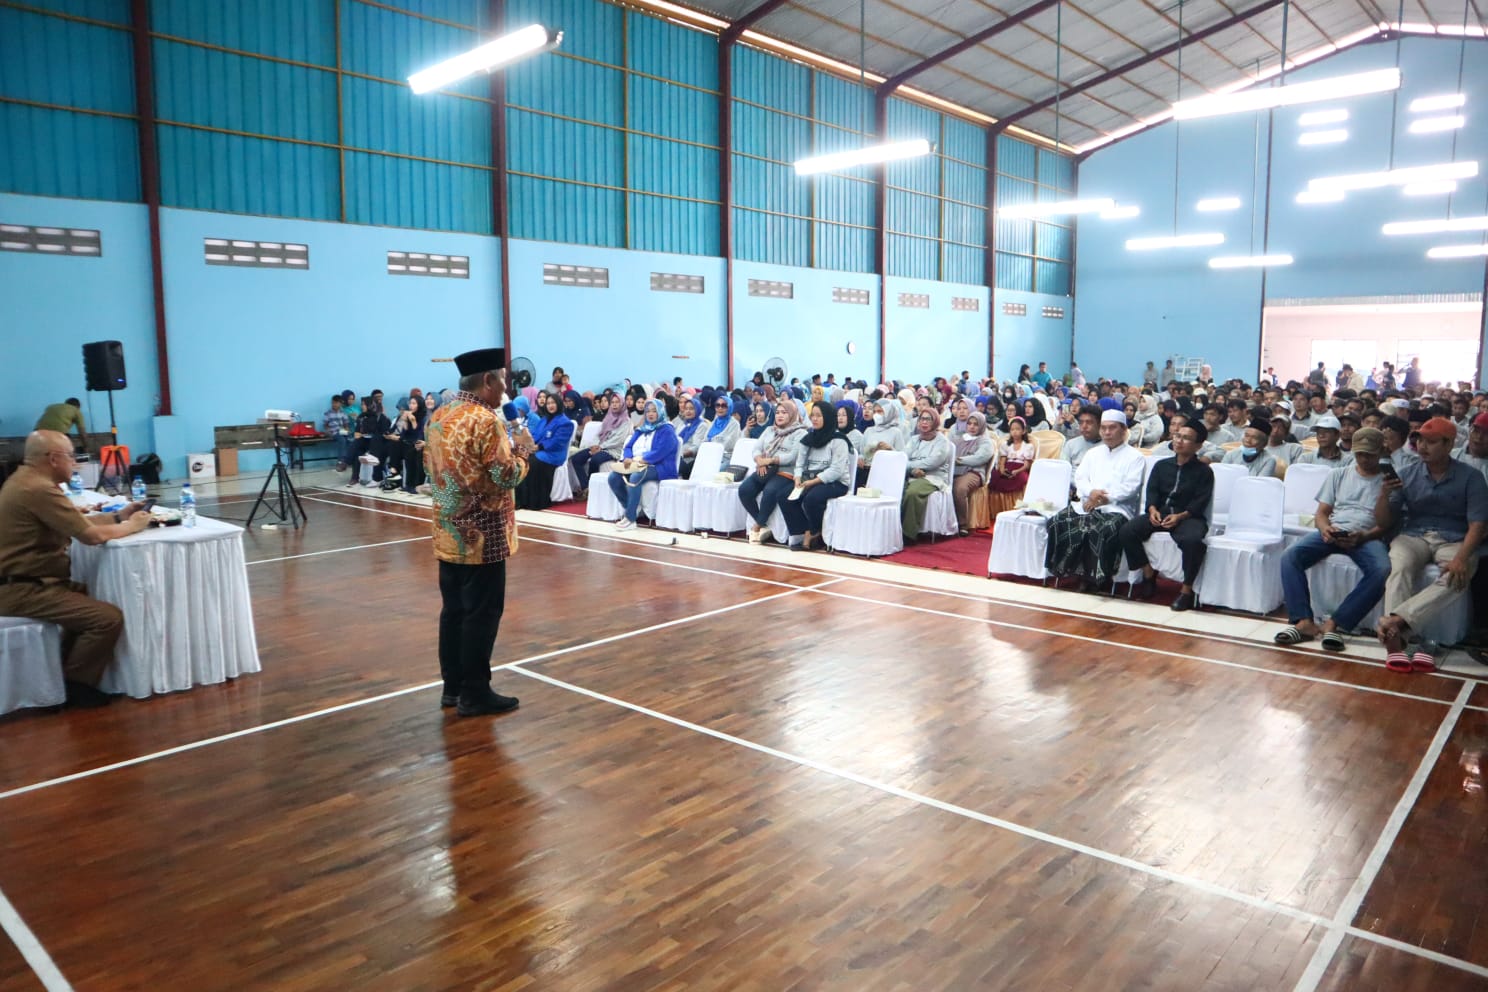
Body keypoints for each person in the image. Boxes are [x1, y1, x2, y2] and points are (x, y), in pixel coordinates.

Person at [0, 431, 151, 707]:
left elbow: (77, 524)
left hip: (27, 582)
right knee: (106, 618)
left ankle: (64, 675)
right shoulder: (38, 489)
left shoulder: (26, 482)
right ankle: (77, 687)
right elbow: (91, 537)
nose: (75, 463)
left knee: (92, 594)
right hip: (22, 588)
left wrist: (120, 515)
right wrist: (133, 526)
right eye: (71, 456)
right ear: (54, 458)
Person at [424, 349, 528, 717]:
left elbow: (431, 469)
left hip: (448, 530)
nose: (505, 387)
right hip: (484, 534)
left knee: (453, 611)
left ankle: (452, 687)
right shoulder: (485, 420)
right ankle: (475, 692)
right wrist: (524, 457)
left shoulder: (440, 415)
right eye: (502, 379)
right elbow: (505, 476)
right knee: (482, 614)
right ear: (487, 380)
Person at [1374, 417, 1488, 670]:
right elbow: (1383, 520)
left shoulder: (1471, 477)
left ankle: (1396, 624)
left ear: (1448, 445)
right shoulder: (1408, 474)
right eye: (1420, 440)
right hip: (1414, 535)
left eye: (1431, 442)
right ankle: (1400, 639)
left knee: (1458, 574)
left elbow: (1478, 525)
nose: (1423, 447)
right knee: (1399, 566)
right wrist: (1384, 494)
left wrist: (1460, 558)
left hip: (1454, 538)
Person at [1274, 428, 1390, 651]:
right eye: (1360, 454)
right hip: (1335, 529)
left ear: (1381, 452)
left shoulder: (1389, 481)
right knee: (1290, 556)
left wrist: (1365, 535)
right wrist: (1326, 529)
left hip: (1367, 535)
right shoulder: (1339, 474)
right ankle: (1303, 621)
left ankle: (1335, 623)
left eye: (1370, 454)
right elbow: (1321, 513)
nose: (1364, 459)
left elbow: (1386, 524)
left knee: (1381, 569)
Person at [1045, 410, 1146, 592]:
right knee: (1057, 521)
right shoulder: (1093, 453)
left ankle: (1095, 578)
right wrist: (1091, 492)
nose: (1107, 432)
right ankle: (1065, 570)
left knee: (1101, 528)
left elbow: (1131, 487)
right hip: (1087, 503)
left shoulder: (1135, 457)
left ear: (1123, 430)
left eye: (1112, 428)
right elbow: (1080, 478)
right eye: (1104, 428)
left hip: (1117, 508)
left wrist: (1103, 498)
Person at [1119, 422, 1214, 611]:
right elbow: (1152, 492)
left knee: (1193, 542)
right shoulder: (1162, 466)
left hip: (1188, 517)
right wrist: (1153, 510)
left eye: (1186, 438)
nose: (1179, 441)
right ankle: (1148, 573)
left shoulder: (1204, 471)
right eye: (1178, 436)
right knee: (1127, 531)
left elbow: (1200, 501)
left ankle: (1186, 591)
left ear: (1198, 446)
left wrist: (1180, 516)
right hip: (1160, 513)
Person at [781, 401, 852, 551]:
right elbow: (799, 463)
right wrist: (798, 477)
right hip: (809, 479)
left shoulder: (839, 440)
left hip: (835, 482)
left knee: (811, 499)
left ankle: (814, 532)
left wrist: (813, 481)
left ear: (828, 417)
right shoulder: (808, 438)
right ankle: (801, 531)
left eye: (819, 416)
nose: (814, 419)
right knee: (784, 495)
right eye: (812, 415)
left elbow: (836, 470)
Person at [607, 399, 678, 531]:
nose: (650, 414)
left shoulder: (667, 429)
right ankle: (632, 509)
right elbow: (628, 446)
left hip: (659, 466)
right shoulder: (641, 429)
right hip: (636, 463)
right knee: (613, 477)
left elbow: (662, 451)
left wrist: (643, 459)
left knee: (635, 477)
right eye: (647, 411)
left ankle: (630, 519)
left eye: (654, 411)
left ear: (660, 412)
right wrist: (628, 458)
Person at [740, 401, 804, 543]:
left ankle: (757, 526)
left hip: (786, 472)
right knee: (745, 490)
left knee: (770, 491)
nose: (780, 415)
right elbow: (756, 448)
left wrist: (769, 460)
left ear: (792, 414)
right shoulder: (770, 430)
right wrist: (759, 460)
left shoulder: (800, 432)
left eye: (784, 412)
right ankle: (764, 524)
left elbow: (793, 456)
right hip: (766, 469)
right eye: (778, 412)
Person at [901, 409, 953, 541]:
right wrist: (912, 470)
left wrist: (911, 465)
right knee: (897, 489)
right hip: (912, 475)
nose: (924, 422)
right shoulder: (913, 440)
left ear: (935, 421)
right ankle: (894, 528)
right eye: (921, 419)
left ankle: (908, 534)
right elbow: (902, 459)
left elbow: (932, 463)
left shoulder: (942, 442)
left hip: (933, 478)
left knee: (912, 492)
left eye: (928, 419)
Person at [515, 393, 573, 510]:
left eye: (553, 403)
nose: (550, 406)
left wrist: (540, 447)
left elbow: (558, 442)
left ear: (559, 404)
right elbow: (535, 435)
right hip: (539, 450)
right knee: (521, 461)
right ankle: (521, 500)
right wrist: (529, 445)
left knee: (533, 463)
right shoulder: (544, 420)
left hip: (553, 454)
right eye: (548, 403)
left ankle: (536, 502)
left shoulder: (566, 423)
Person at [570, 392, 632, 492]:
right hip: (600, 446)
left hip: (614, 449)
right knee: (576, 459)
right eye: (612, 402)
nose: (615, 405)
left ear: (622, 404)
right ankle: (585, 487)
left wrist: (601, 447)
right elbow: (600, 434)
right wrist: (595, 445)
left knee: (595, 459)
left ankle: (592, 488)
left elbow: (618, 440)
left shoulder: (626, 421)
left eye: (617, 402)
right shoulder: (608, 417)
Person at [950, 412, 995, 536]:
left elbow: (980, 458)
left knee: (960, 488)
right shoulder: (959, 439)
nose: (972, 427)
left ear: (981, 425)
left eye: (976, 424)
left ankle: (962, 525)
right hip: (954, 471)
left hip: (974, 472)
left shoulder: (985, 441)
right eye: (969, 423)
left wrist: (960, 460)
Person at [987, 416, 1037, 514]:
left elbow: (1027, 465)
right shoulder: (1006, 445)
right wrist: (1002, 470)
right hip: (1007, 466)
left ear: (1023, 431)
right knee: (995, 476)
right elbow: (1002, 460)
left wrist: (1017, 471)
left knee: (1021, 478)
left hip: (1020, 468)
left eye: (1017, 429)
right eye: (1012, 429)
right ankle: (999, 508)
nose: (1014, 432)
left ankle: (1015, 508)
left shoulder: (1028, 446)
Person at [856, 399, 904, 488]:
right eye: (874, 412)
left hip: (887, 472)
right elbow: (862, 452)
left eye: (880, 411)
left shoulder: (896, 432)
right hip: (867, 470)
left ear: (888, 412)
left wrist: (890, 449)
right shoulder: (869, 431)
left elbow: (902, 457)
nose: (876, 414)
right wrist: (860, 458)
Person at [349, 397, 391, 487]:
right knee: (357, 449)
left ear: (370, 405)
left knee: (369, 443)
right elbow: (357, 433)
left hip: (379, 442)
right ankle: (354, 477)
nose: (362, 406)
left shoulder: (379, 417)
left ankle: (345, 462)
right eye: (361, 404)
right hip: (365, 441)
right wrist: (360, 434)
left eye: (363, 404)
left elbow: (385, 432)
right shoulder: (362, 417)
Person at [395, 395, 427, 495]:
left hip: (419, 443)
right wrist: (404, 419)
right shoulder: (408, 415)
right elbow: (402, 432)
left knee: (415, 453)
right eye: (410, 403)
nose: (411, 406)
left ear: (419, 405)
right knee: (403, 447)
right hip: (409, 443)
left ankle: (417, 485)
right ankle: (409, 485)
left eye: (414, 403)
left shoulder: (423, 416)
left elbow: (419, 434)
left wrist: (413, 421)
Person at [673, 396, 708, 479]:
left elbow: (696, 447)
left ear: (697, 409)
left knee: (672, 467)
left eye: (691, 408)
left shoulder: (701, 425)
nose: (688, 411)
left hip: (689, 459)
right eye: (686, 408)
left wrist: (680, 454)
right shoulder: (682, 424)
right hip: (676, 455)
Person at [323, 394, 353, 471]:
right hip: (333, 432)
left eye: (336, 403)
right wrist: (328, 432)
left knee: (350, 440)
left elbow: (346, 425)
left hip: (342, 431)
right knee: (342, 440)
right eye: (333, 403)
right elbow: (325, 425)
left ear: (341, 403)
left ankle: (348, 461)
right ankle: (340, 462)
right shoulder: (328, 413)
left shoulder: (343, 413)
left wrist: (347, 431)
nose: (334, 404)